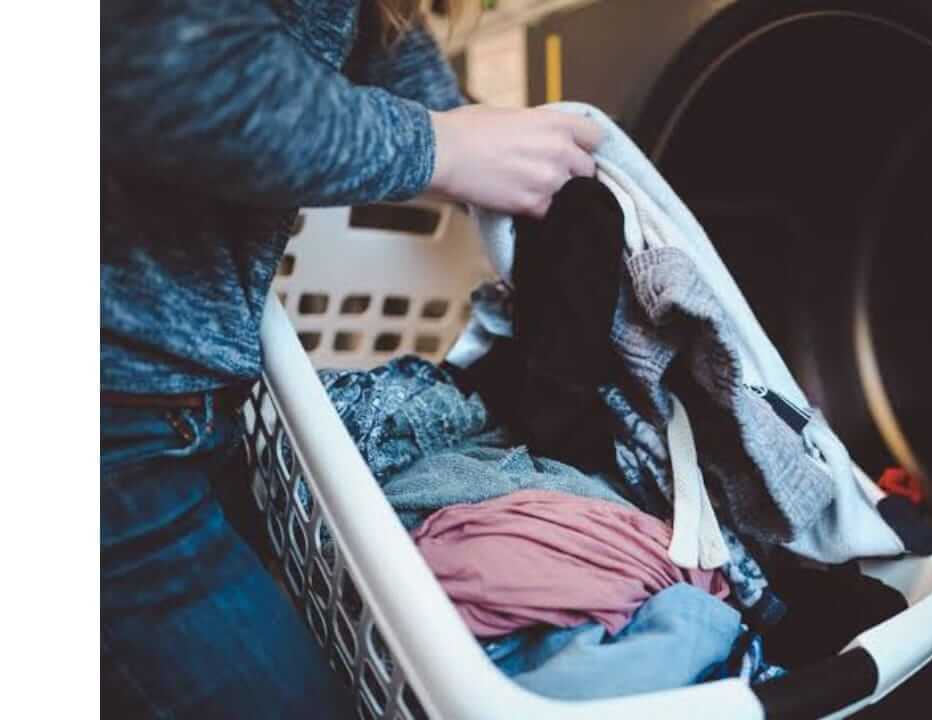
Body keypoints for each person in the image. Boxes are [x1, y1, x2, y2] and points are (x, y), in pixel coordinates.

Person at [101, 1, 603, 716]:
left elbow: (379, 47)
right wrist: (444, 147)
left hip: (179, 401)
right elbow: (160, 60)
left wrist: (476, 139)